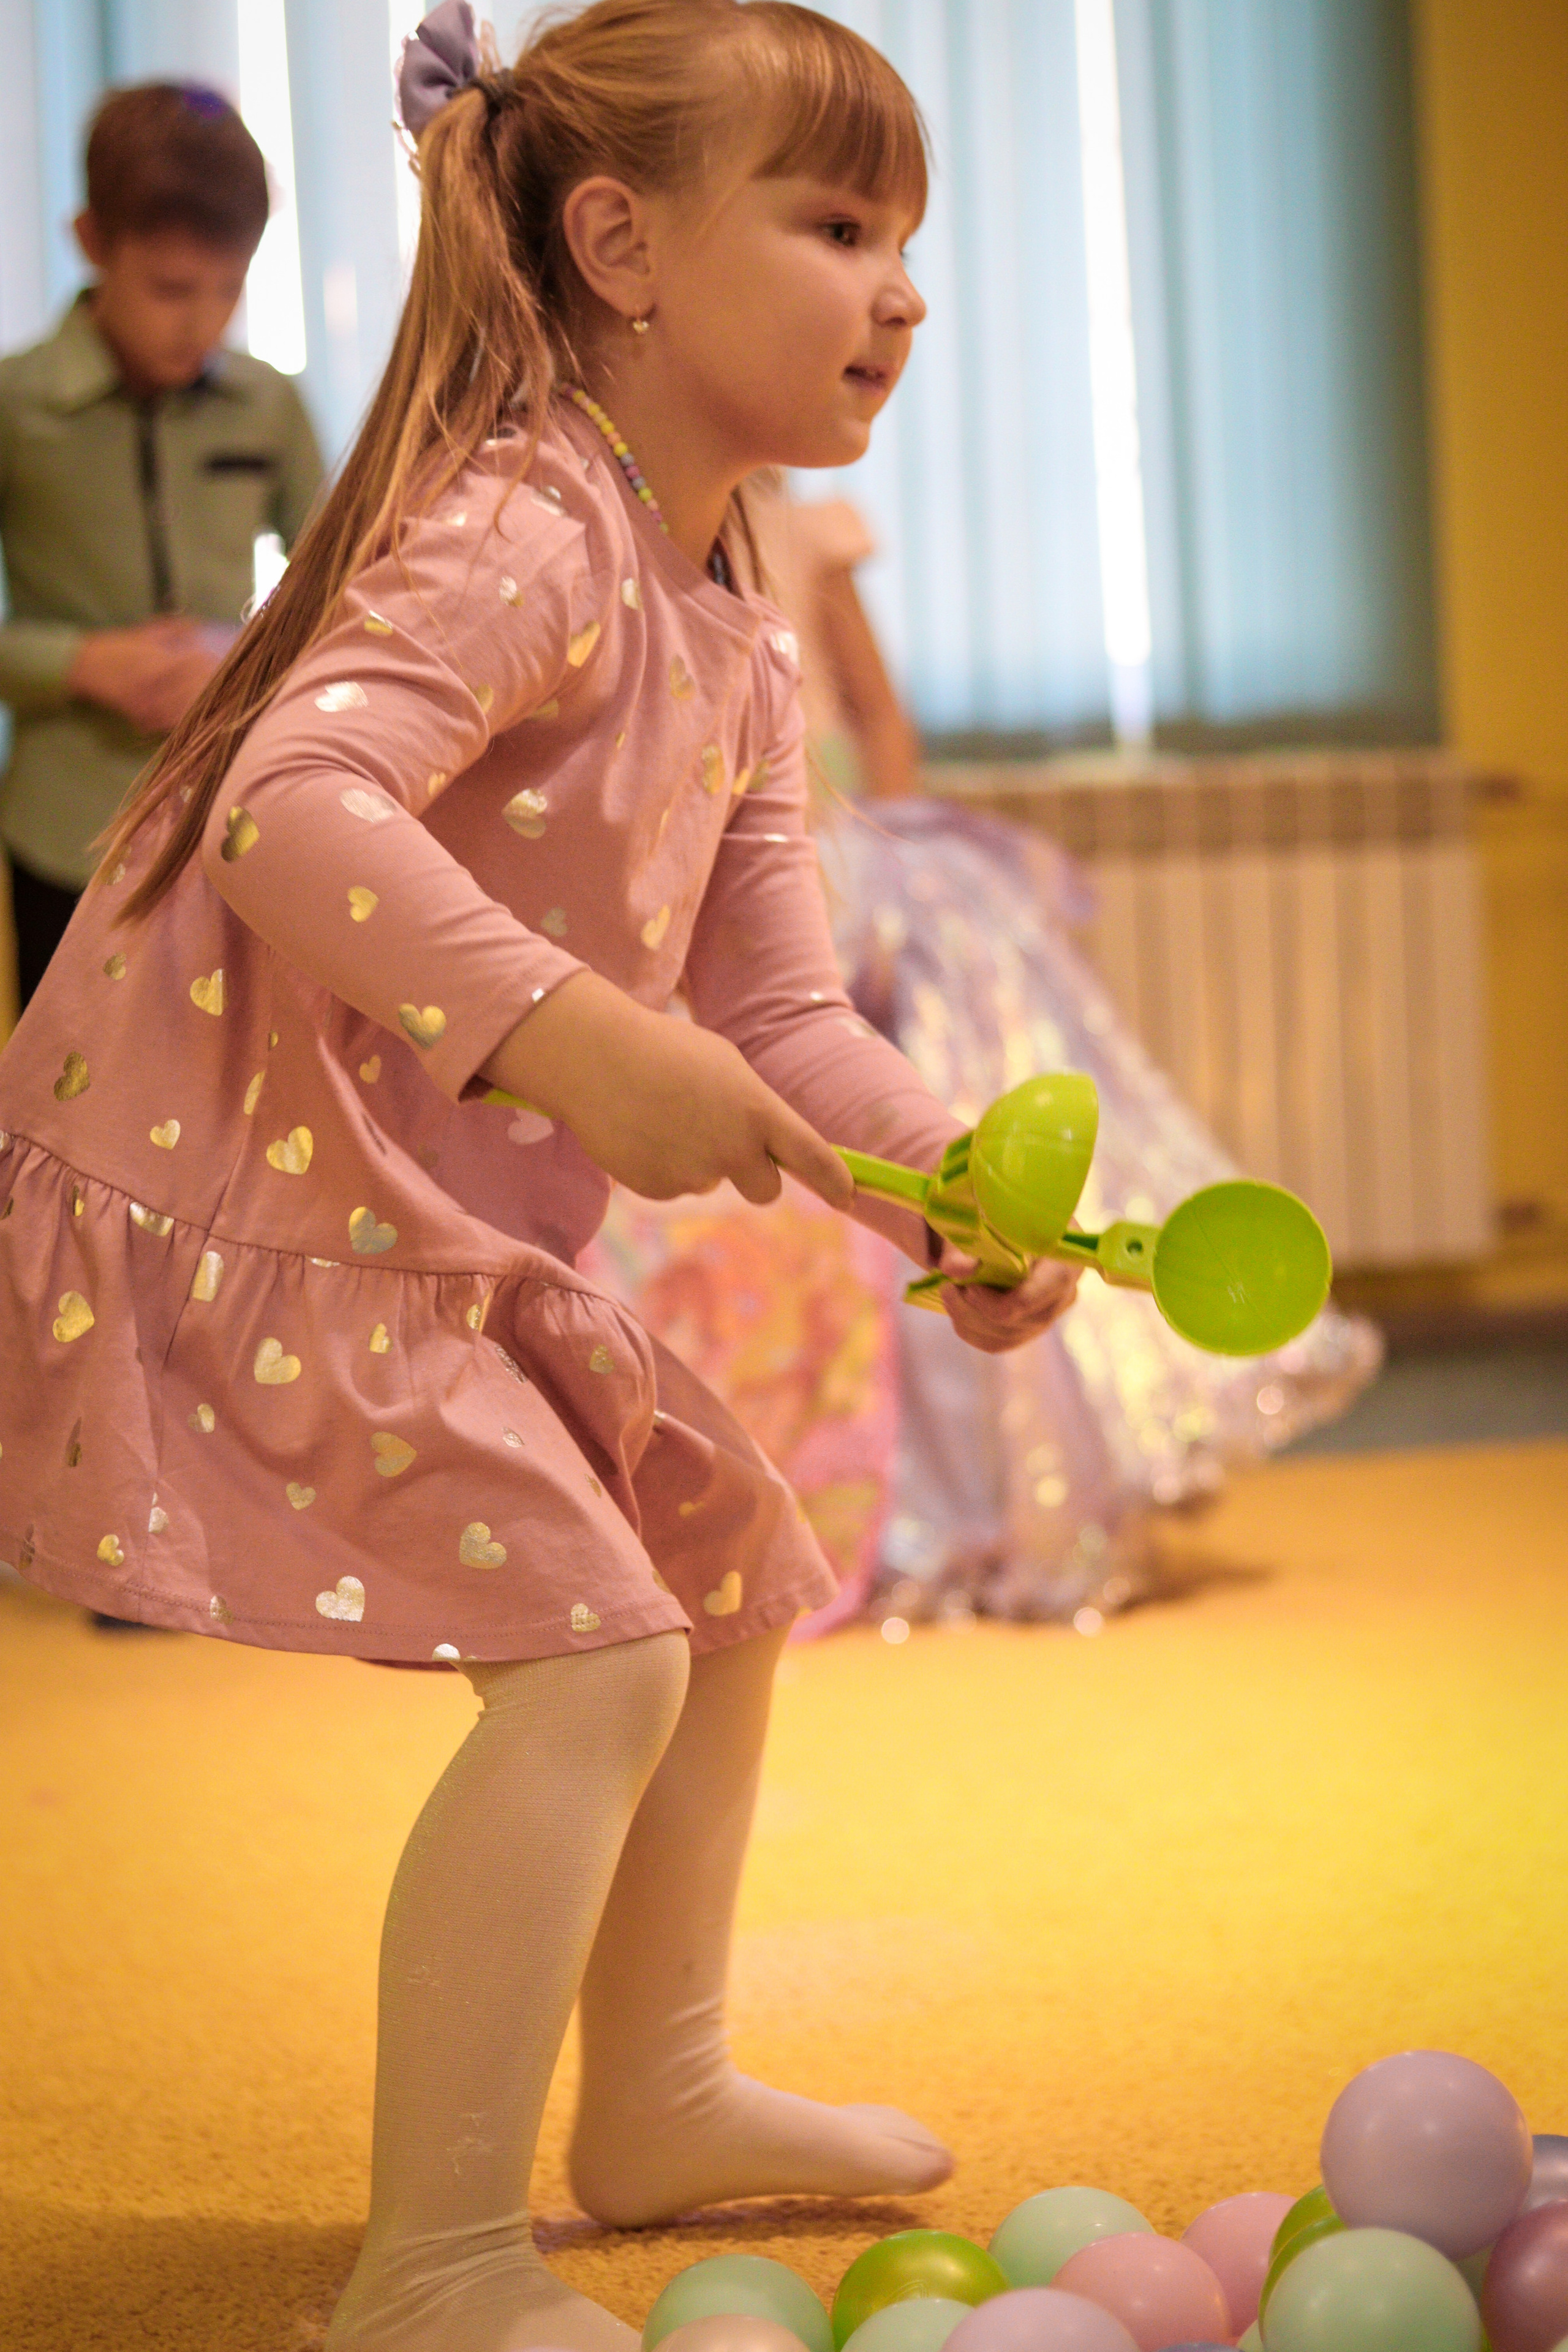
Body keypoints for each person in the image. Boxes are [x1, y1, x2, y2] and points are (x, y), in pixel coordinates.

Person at [0, 6, 1079, 2348]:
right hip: (272, 1201)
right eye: (840, 226)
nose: (903, 290)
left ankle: (657, 2087)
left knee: (715, 1577)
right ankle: (437, 2266)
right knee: (596, 1667)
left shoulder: (736, 629)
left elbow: (786, 1018)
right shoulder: (524, 524)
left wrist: (956, 1199)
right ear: (621, 245)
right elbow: (288, 806)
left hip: (441, 1223)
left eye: (906, 239)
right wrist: (575, 1040)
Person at [590, 481, 1381, 1628]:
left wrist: (879, 853)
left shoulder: (803, 543)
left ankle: (996, 1488)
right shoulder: (578, 545)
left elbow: (879, 721)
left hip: (828, 860)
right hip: (704, 907)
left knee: (960, 1027)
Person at [0, 80, 323, 1014]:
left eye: (231, 288)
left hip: (233, 827)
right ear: (92, 242)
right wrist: (80, 663)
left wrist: (238, 656)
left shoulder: (270, 404)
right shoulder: (15, 408)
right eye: (173, 289)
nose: (204, 322)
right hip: (63, 837)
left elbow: (353, 598)